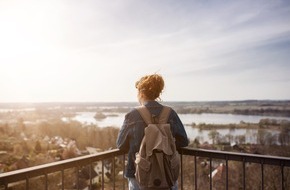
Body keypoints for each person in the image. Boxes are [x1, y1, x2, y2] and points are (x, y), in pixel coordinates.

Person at [116, 74, 188, 190]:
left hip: (138, 174)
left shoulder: (132, 115)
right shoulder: (170, 113)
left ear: (141, 93)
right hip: (167, 173)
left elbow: (120, 145)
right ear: (158, 93)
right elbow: (183, 141)